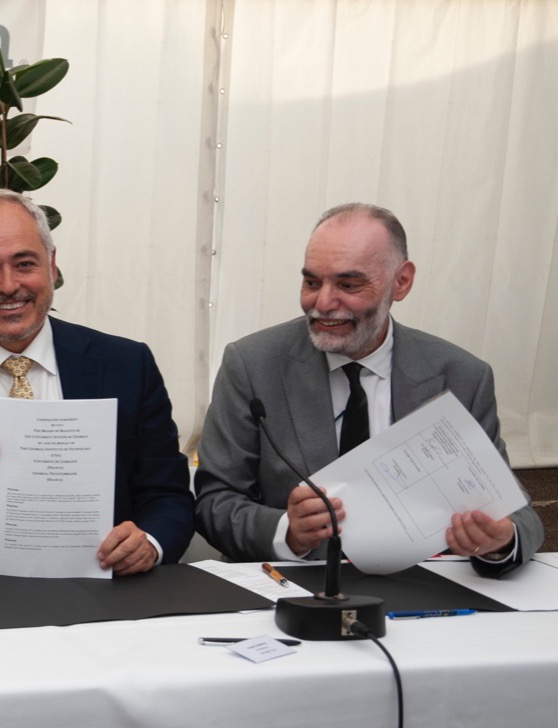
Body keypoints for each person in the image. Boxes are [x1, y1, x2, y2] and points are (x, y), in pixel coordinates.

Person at [194, 202, 543, 574]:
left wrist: (499, 542)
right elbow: (215, 503)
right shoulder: (253, 365)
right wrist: (287, 531)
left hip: (424, 590)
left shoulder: (460, 377)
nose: (323, 303)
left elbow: (516, 514)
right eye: (312, 282)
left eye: (348, 284)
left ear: (401, 281)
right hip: (292, 591)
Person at [0, 188, 194, 577]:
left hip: (110, 602)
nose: (9, 285)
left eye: (25, 263)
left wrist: (149, 543)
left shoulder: (127, 366)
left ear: (52, 266)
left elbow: (169, 496)